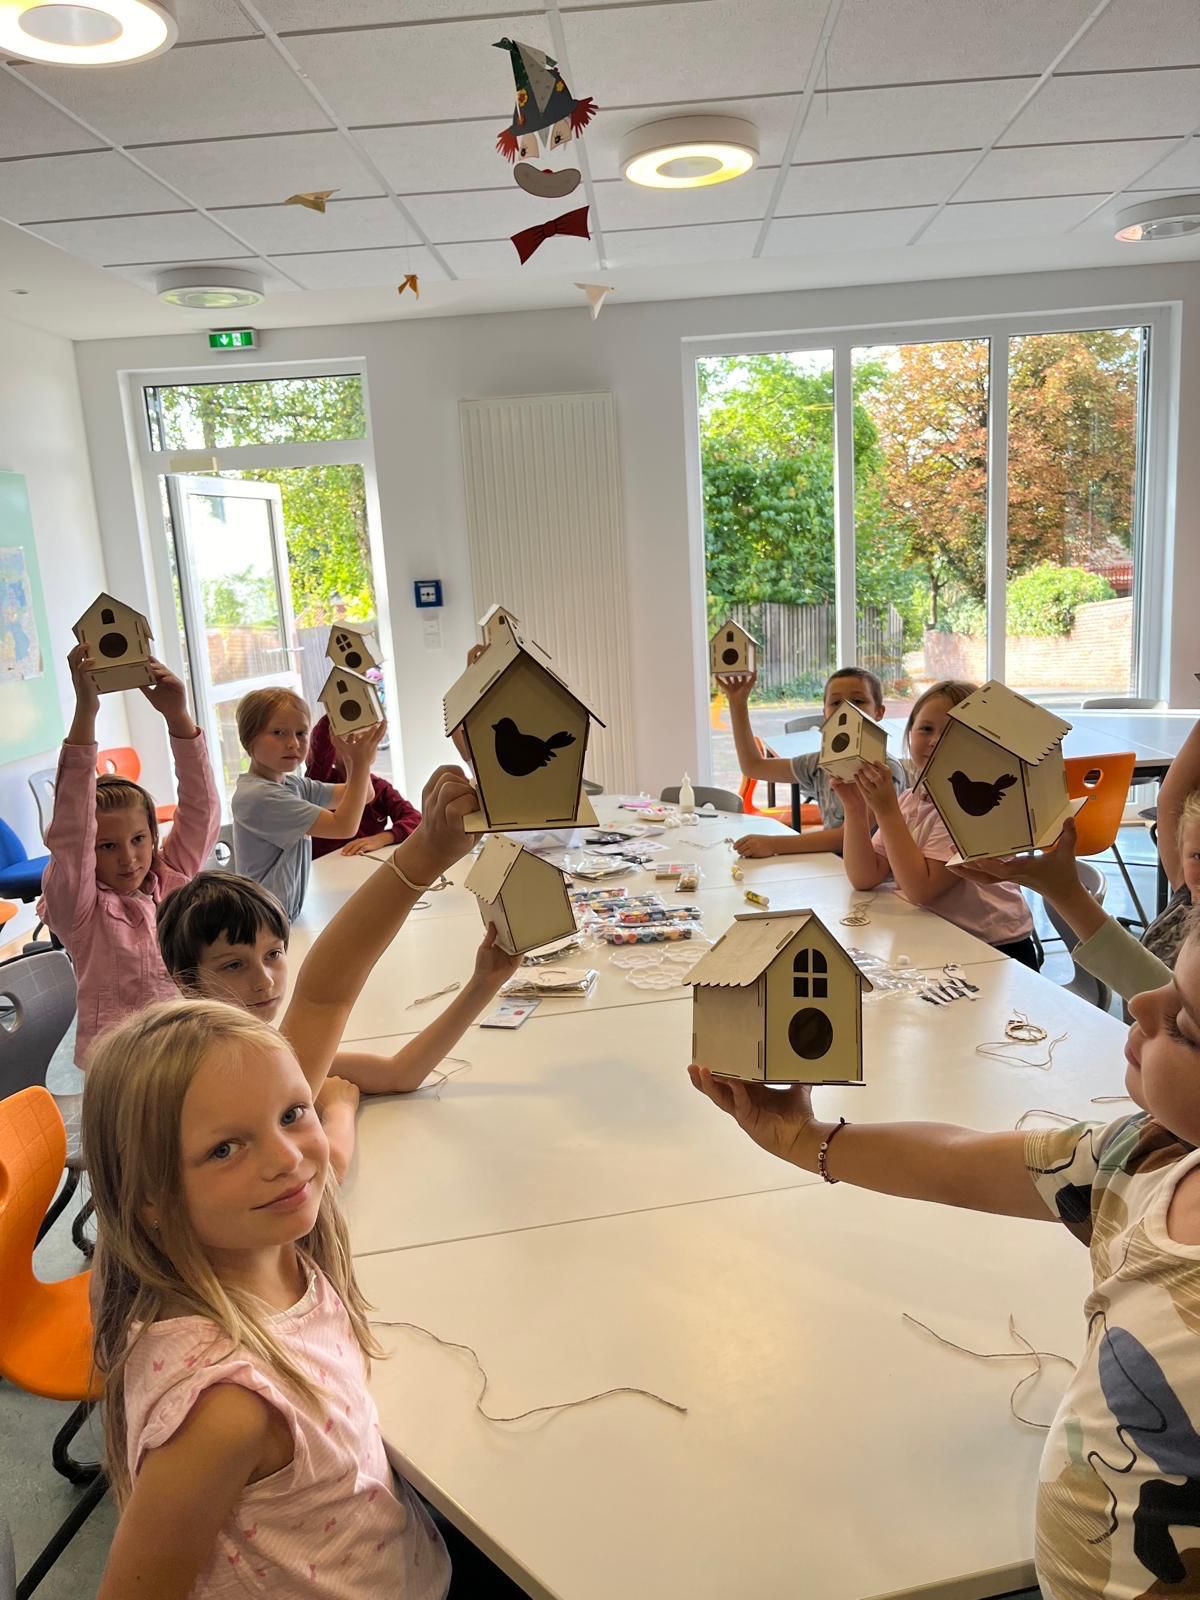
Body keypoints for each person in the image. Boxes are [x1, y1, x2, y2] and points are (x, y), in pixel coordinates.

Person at [689, 905, 1200, 1600]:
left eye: (1184, 1024)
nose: (1139, 1002)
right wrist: (804, 1139)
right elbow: (958, 1160)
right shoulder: (1144, 1154)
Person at [85, 767, 482, 1599]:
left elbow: (328, 991)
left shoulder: (279, 1250)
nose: (287, 1159)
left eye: (294, 1114)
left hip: (401, 1554)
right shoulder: (223, 1408)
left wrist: (430, 852)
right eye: (226, 1149)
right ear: (151, 1196)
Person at [156, 868, 521, 1175]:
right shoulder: (216, 1067)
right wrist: (339, 1109)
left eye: (273, 954)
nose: (264, 980)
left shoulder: (264, 1046)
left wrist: (484, 983)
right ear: (187, 982)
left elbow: (399, 1074)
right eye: (234, 965)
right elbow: (320, 1173)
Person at [40, 643, 221, 1066]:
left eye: (139, 839)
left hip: (185, 1047)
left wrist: (178, 717)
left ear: (153, 837)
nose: (129, 859)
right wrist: (86, 711)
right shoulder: (80, 909)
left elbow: (202, 809)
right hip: (120, 1067)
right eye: (107, 846)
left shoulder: (171, 881)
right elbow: (71, 831)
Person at [837, 679, 1042, 968]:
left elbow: (921, 890)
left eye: (952, 733)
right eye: (926, 729)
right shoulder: (912, 799)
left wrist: (886, 811)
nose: (934, 741)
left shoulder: (975, 810)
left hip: (996, 950)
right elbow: (865, 876)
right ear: (909, 733)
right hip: (938, 937)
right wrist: (855, 808)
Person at [714, 666, 907, 858]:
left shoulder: (884, 771)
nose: (846, 709)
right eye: (836, 702)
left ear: (879, 712)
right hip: (831, 863)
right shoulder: (818, 763)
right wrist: (737, 703)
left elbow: (846, 837)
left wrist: (773, 844)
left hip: (873, 871)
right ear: (825, 713)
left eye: (858, 701)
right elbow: (754, 767)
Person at [230, 687, 386, 921]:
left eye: (301, 733)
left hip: (282, 916)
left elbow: (364, 795)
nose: (293, 743)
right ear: (248, 738)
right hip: (263, 922)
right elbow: (344, 826)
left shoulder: (291, 785)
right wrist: (361, 762)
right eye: (278, 732)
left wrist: (352, 757)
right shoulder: (260, 797)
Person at [305, 712, 420, 860]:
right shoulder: (320, 782)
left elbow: (415, 818)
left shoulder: (380, 788)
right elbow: (319, 752)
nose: (359, 745)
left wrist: (382, 838)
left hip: (365, 862)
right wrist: (339, 710)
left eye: (367, 740)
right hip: (325, 865)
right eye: (348, 740)